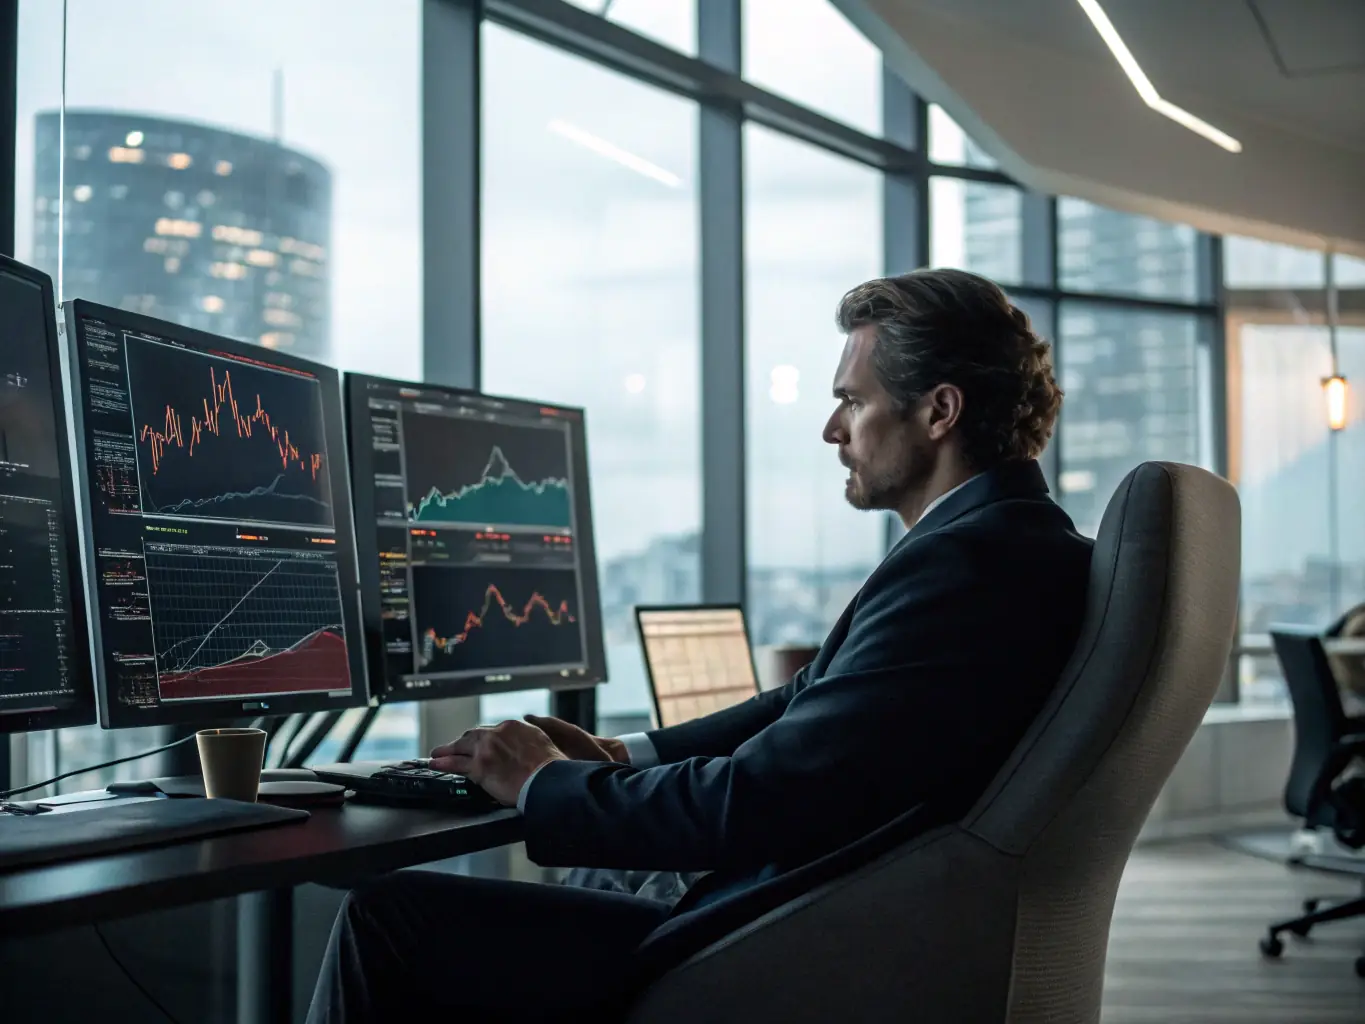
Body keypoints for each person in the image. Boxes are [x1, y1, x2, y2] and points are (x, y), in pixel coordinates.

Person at [306, 268, 1094, 1023]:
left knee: (394, 914)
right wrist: (621, 758)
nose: (830, 429)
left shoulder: (969, 564)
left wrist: (545, 785)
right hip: (842, 909)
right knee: (595, 871)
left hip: (794, 941)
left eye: (851, 401)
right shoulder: (1004, 544)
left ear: (938, 411)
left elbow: (766, 798)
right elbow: (802, 702)